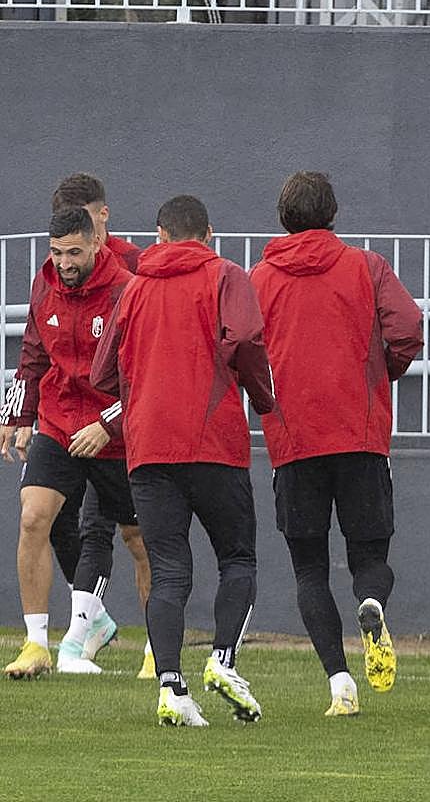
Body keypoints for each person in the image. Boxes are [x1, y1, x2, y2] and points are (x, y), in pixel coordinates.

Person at [92, 195, 275, 727]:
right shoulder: (226, 276)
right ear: (209, 233)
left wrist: (145, 381)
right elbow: (243, 337)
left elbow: (104, 373)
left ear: (159, 236)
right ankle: (223, 661)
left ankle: (171, 687)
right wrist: (261, 398)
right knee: (238, 558)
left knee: (169, 571)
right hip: (213, 441)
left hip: (148, 447)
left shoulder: (133, 289)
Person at [251, 172, 424, 717]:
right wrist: (379, 373)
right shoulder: (366, 267)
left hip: (293, 441)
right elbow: (409, 328)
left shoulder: (259, 277)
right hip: (360, 434)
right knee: (370, 554)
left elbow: (239, 345)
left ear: (283, 217)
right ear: (333, 213)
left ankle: (339, 684)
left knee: (308, 569)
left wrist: (266, 396)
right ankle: (371, 603)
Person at [0, 207, 135, 678]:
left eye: (74, 252)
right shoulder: (45, 285)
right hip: (59, 423)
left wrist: (107, 424)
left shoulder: (125, 290)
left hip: (112, 433)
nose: (63, 262)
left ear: (97, 244)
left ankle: (159, 651)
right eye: (57, 252)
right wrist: (14, 415)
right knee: (33, 517)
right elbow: (33, 355)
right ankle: (36, 643)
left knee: (140, 540)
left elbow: (140, 376)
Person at [51, 172, 155, 679]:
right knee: (86, 526)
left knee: (142, 537)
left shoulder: (135, 269)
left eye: (86, 225)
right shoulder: (60, 271)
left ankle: (159, 641)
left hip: (131, 431)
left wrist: (111, 421)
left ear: (103, 218)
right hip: (83, 429)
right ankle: (82, 632)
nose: (73, 252)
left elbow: (146, 363)